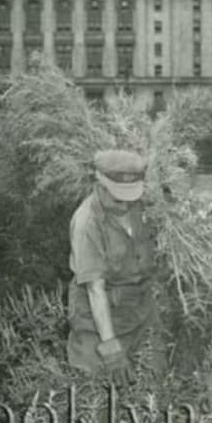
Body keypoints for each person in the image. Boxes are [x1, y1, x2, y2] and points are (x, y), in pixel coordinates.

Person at [67, 150, 163, 382]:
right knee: (99, 390)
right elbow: (95, 290)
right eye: (118, 197)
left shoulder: (144, 208)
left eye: (132, 196)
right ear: (100, 183)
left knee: (154, 383)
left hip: (140, 312)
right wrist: (111, 349)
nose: (126, 204)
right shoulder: (87, 223)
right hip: (97, 321)